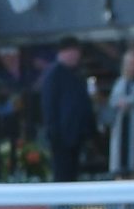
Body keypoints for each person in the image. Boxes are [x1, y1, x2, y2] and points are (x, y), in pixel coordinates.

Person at [39, 37, 95, 183]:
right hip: (61, 137)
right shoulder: (53, 74)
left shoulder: (77, 73)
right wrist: (54, 133)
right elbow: (49, 106)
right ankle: (61, 206)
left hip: (76, 136)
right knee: (62, 175)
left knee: (73, 175)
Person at [106, 44, 134, 178]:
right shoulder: (120, 82)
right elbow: (113, 100)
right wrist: (119, 102)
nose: (130, 66)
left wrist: (129, 101)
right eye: (127, 63)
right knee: (120, 160)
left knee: (133, 160)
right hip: (121, 125)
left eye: (133, 63)